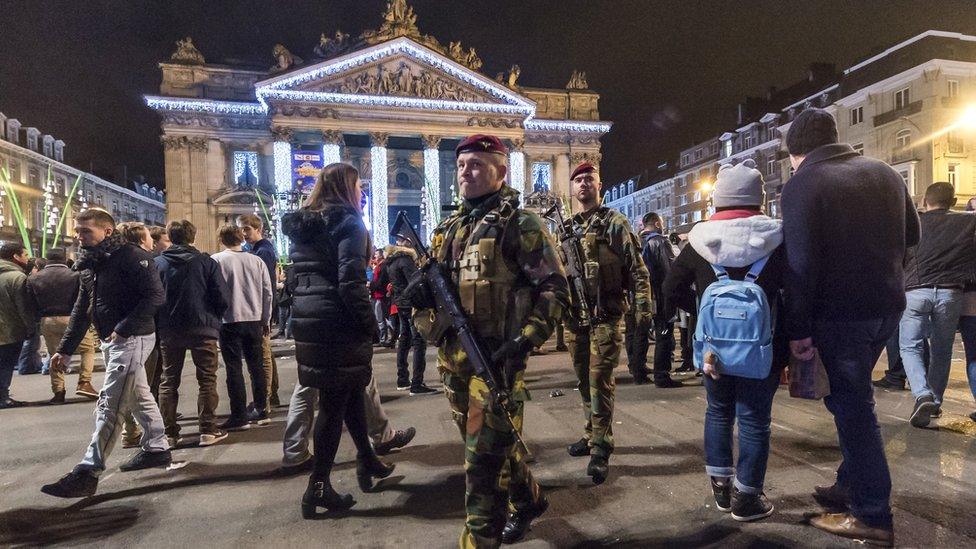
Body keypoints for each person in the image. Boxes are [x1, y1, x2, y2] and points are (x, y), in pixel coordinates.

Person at [412, 134, 568, 546]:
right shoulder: (449, 228)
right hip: (453, 360)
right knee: (488, 447)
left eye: (477, 164)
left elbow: (555, 288)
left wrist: (527, 338)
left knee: (481, 468)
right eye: (462, 164)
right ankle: (529, 498)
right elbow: (438, 284)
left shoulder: (520, 223)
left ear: (501, 170)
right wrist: (418, 293)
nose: (466, 171)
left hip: (496, 360)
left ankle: (480, 539)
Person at [781, 108, 919, 546]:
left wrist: (798, 329)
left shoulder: (803, 184)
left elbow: (800, 266)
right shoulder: (885, 173)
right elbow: (912, 239)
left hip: (839, 314)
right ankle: (849, 484)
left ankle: (872, 514)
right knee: (854, 395)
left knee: (853, 407)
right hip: (887, 308)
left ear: (797, 153)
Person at [664, 159, 788, 522]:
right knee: (754, 420)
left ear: (718, 200)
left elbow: (670, 289)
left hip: (712, 350)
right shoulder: (778, 239)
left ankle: (720, 489)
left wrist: (701, 312)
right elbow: (797, 293)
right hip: (762, 348)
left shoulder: (699, 240)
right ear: (758, 199)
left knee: (718, 412)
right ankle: (747, 498)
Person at [280, 162, 395, 518]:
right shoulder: (349, 222)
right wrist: (370, 325)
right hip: (338, 320)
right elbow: (349, 281)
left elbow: (298, 277)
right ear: (347, 188)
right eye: (359, 186)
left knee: (348, 393)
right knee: (332, 403)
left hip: (311, 319)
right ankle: (318, 486)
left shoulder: (304, 226)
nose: (363, 192)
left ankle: (367, 458)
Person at [42, 208, 170, 498]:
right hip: (112, 339)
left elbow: (155, 296)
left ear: (107, 231)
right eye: (78, 230)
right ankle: (157, 447)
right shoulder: (90, 263)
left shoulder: (132, 257)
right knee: (138, 396)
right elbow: (82, 307)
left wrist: (124, 327)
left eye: (85, 231)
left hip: (132, 338)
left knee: (111, 403)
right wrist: (65, 349)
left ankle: (89, 470)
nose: (79, 236)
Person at [563, 161, 653, 485]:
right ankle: (591, 434)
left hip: (606, 316)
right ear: (573, 189)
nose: (584, 183)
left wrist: (643, 312)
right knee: (584, 383)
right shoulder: (566, 228)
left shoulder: (615, 223)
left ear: (599, 185)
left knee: (600, 381)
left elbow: (638, 270)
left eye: (590, 178)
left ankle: (601, 447)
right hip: (576, 321)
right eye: (579, 179)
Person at [899, 181, 976, 427]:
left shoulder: (913, 224)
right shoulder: (968, 222)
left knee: (910, 347)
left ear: (924, 202)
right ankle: (935, 402)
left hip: (915, 292)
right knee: (942, 350)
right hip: (951, 294)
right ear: (953, 203)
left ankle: (922, 394)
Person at [155, 220, 230, 447]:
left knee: (168, 381)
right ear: (192, 237)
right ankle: (208, 430)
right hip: (203, 328)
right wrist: (213, 319)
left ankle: (169, 433)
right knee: (207, 379)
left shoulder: (157, 263)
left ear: (170, 236)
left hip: (169, 329)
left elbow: (154, 297)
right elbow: (222, 296)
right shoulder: (206, 262)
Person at [211, 224, 273, 430]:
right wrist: (266, 319)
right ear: (241, 239)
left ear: (221, 239)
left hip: (229, 321)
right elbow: (267, 292)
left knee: (234, 368)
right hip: (254, 320)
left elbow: (213, 293)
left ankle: (238, 415)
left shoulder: (216, 260)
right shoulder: (256, 260)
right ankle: (262, 408)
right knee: (256, 367)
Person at [27, 247, 98, 404]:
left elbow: (30, 303)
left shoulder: (34, 278)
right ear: (64, 258)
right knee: (87, 348)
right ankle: (84, 382)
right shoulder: (75, 276)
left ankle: (59, 392)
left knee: (55, 355)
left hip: (48, 320)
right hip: (72, 318)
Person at [116, 222, 162, 447]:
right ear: (142, 240)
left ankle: (133, 431)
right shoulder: (143, 261)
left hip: (120, 332)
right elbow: (155, 297)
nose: (152, 240)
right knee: (140, 388)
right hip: (139, 331)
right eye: (149, 237)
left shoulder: (110, 262)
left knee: (133, 387)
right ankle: (153, 440)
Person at [237, 213, 281, 409]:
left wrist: (265, 314)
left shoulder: (262, 252)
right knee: (266, 352)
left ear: (258, 229)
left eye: (247, 228)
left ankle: (265, 400)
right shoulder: (259, 249)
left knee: (262, 354)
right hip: (263, 307)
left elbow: (265, 285)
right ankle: (271, 395)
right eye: (241, 229)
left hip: (262, 308)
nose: (243, 233)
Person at [385, 232, 436, 395]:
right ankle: (417, 383)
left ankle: (402, 379)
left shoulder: (391, 262)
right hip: (411, 305)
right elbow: (415, 282)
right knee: (418, 341)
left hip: (400, 303)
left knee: (404, 339)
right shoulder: (406, 261)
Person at [641, 211, 681, 386]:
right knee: (664, 334)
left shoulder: (645, 243)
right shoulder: (661, 242)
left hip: (652, 295)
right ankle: (662, 375)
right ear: (657, 223)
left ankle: (659, 373)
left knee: (660, 333)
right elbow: (669, 271)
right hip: (663, 296)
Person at [0, 242, 36, 409]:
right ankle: (3, 396)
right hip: (9, 329)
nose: (28, 259)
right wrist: (30, 328)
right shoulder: (17, 278)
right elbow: (24, 307)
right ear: (16, 257)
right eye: (25, 255)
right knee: (6, 363)